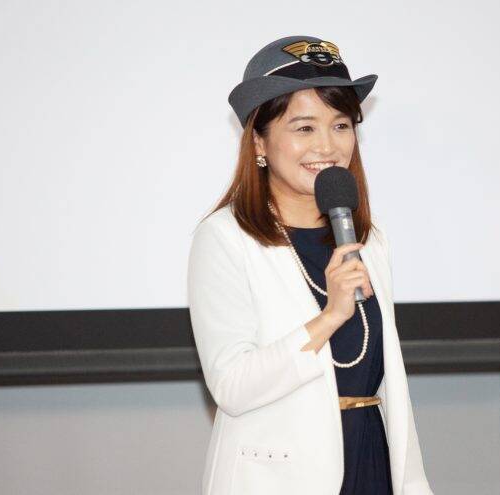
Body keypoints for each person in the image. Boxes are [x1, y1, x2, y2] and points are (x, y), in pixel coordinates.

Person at [187, 35, 433, 495]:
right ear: (259, 141)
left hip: (371, 460)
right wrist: (329, 316)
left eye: (341, 125)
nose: (328, 145)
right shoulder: (225, 238)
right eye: (304, 128)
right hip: (279, 478)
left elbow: (387, 380)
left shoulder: (368, 239)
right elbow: (232, 386)